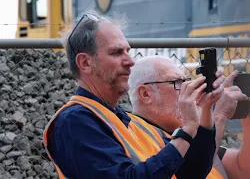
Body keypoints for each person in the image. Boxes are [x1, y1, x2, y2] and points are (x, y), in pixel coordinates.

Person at [42, 10, 226, 179]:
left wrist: (205, 110)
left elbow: (192, 173)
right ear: (85, 63)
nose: (130, 61)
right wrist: (186, 131)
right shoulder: (75, 122)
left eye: (128, 51)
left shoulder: (127, 121)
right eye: (116, 52)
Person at [128, 55, 250, 179]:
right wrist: (220, 115)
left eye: (186, 82)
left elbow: (248, 173)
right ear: (145, 94)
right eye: (177, 83)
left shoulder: (190, 135)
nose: (187, 90)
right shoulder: (133, 135)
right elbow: (191, 171)